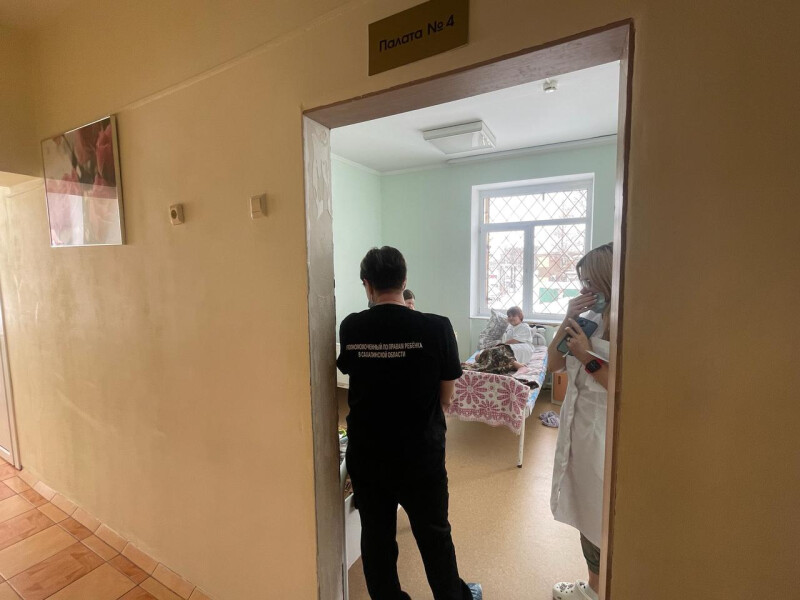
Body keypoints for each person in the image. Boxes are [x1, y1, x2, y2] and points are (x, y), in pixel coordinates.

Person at [337, 246, 482, 600]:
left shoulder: (352, 326)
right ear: (404, 281)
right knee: (434, 535)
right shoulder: (437, 327)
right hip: (421, 454)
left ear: (367, 284)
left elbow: (351, 374)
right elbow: (446, 397)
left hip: (368, 454)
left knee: (376, 536)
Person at [547, 243, 613, 600]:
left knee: (601, 514)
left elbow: (624, 385)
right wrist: (567, 318)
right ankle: (594, 586)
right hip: (581, 426)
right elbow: (554, 363)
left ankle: (598, 590)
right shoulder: (590, 318)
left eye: (590, 282)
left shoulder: (628, 321)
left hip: (604, 432)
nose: (585, 289)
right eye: (582, 282)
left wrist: (586, 355)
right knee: (589, 512)